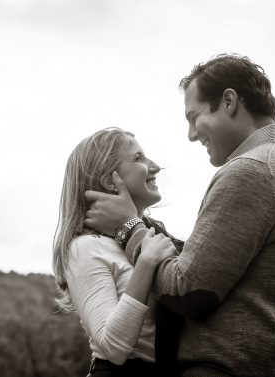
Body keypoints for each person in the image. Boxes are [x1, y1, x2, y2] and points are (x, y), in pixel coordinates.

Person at [84, 54, 275, 377]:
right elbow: (207, 268)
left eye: (194, 116)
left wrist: (128, 227)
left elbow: (186, 289)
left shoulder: (252, 170)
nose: (191, 134)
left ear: (228, 101)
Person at [52, 127, 182, 377]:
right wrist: (145, 264)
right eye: (138, 158)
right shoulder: (86, 247)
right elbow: (112, 347)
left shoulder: (150, 236)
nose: (155, 166)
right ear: (110, 180)